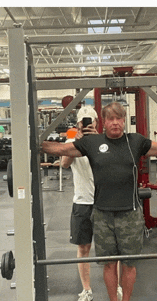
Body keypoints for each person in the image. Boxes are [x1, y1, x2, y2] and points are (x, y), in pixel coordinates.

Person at [42, 102, 157, 301]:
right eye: (110, 119)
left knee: (129, 264)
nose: (115, 123)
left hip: (130, 215)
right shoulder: (91, 143)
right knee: (108, 264)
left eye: (119, 118)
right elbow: (61, 150)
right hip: (102, 215)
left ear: (124, 120)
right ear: (104, 122)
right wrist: (34, 142)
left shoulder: (136, 141)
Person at [62, 106, 98, 301]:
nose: (86, 125)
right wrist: (77, 141)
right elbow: (64, 164)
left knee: (112, 248)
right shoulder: (72, 141)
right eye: (83, 122)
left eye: (90, 122)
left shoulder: (103, 141)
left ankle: (116, 286)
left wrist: (97, 139)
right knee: (83, 248)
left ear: (96, 124)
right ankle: (87, 289)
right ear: (78, 124)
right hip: (82, 202)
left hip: (103, 202)